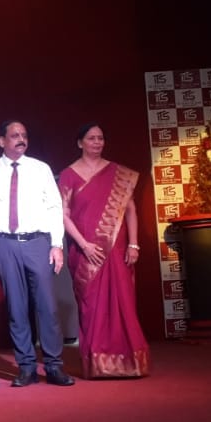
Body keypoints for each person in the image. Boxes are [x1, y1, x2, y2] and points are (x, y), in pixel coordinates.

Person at [0, 121, 74, 387]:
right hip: (4, 243)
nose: (21, 139)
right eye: (14, 135)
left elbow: (55, 207)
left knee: (47, 305)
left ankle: (54, 366)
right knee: (16, 307)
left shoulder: (40, 169)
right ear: (2, 141)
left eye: (24, 135)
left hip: (37, 242)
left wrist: (56, 244)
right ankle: (26, 367)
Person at [58, 123, 150, 379]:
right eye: (91, 138)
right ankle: (97, 364)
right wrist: (84, 245)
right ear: (80, 143)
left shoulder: (118, 173)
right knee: (91, 307)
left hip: (116, 249)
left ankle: (129, 362)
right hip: (84, 251)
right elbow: (63, 215)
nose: (97, 142)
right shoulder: (68, 175)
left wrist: (133, 244)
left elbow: (130, 210)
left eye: (100, 138)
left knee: (122, 303)